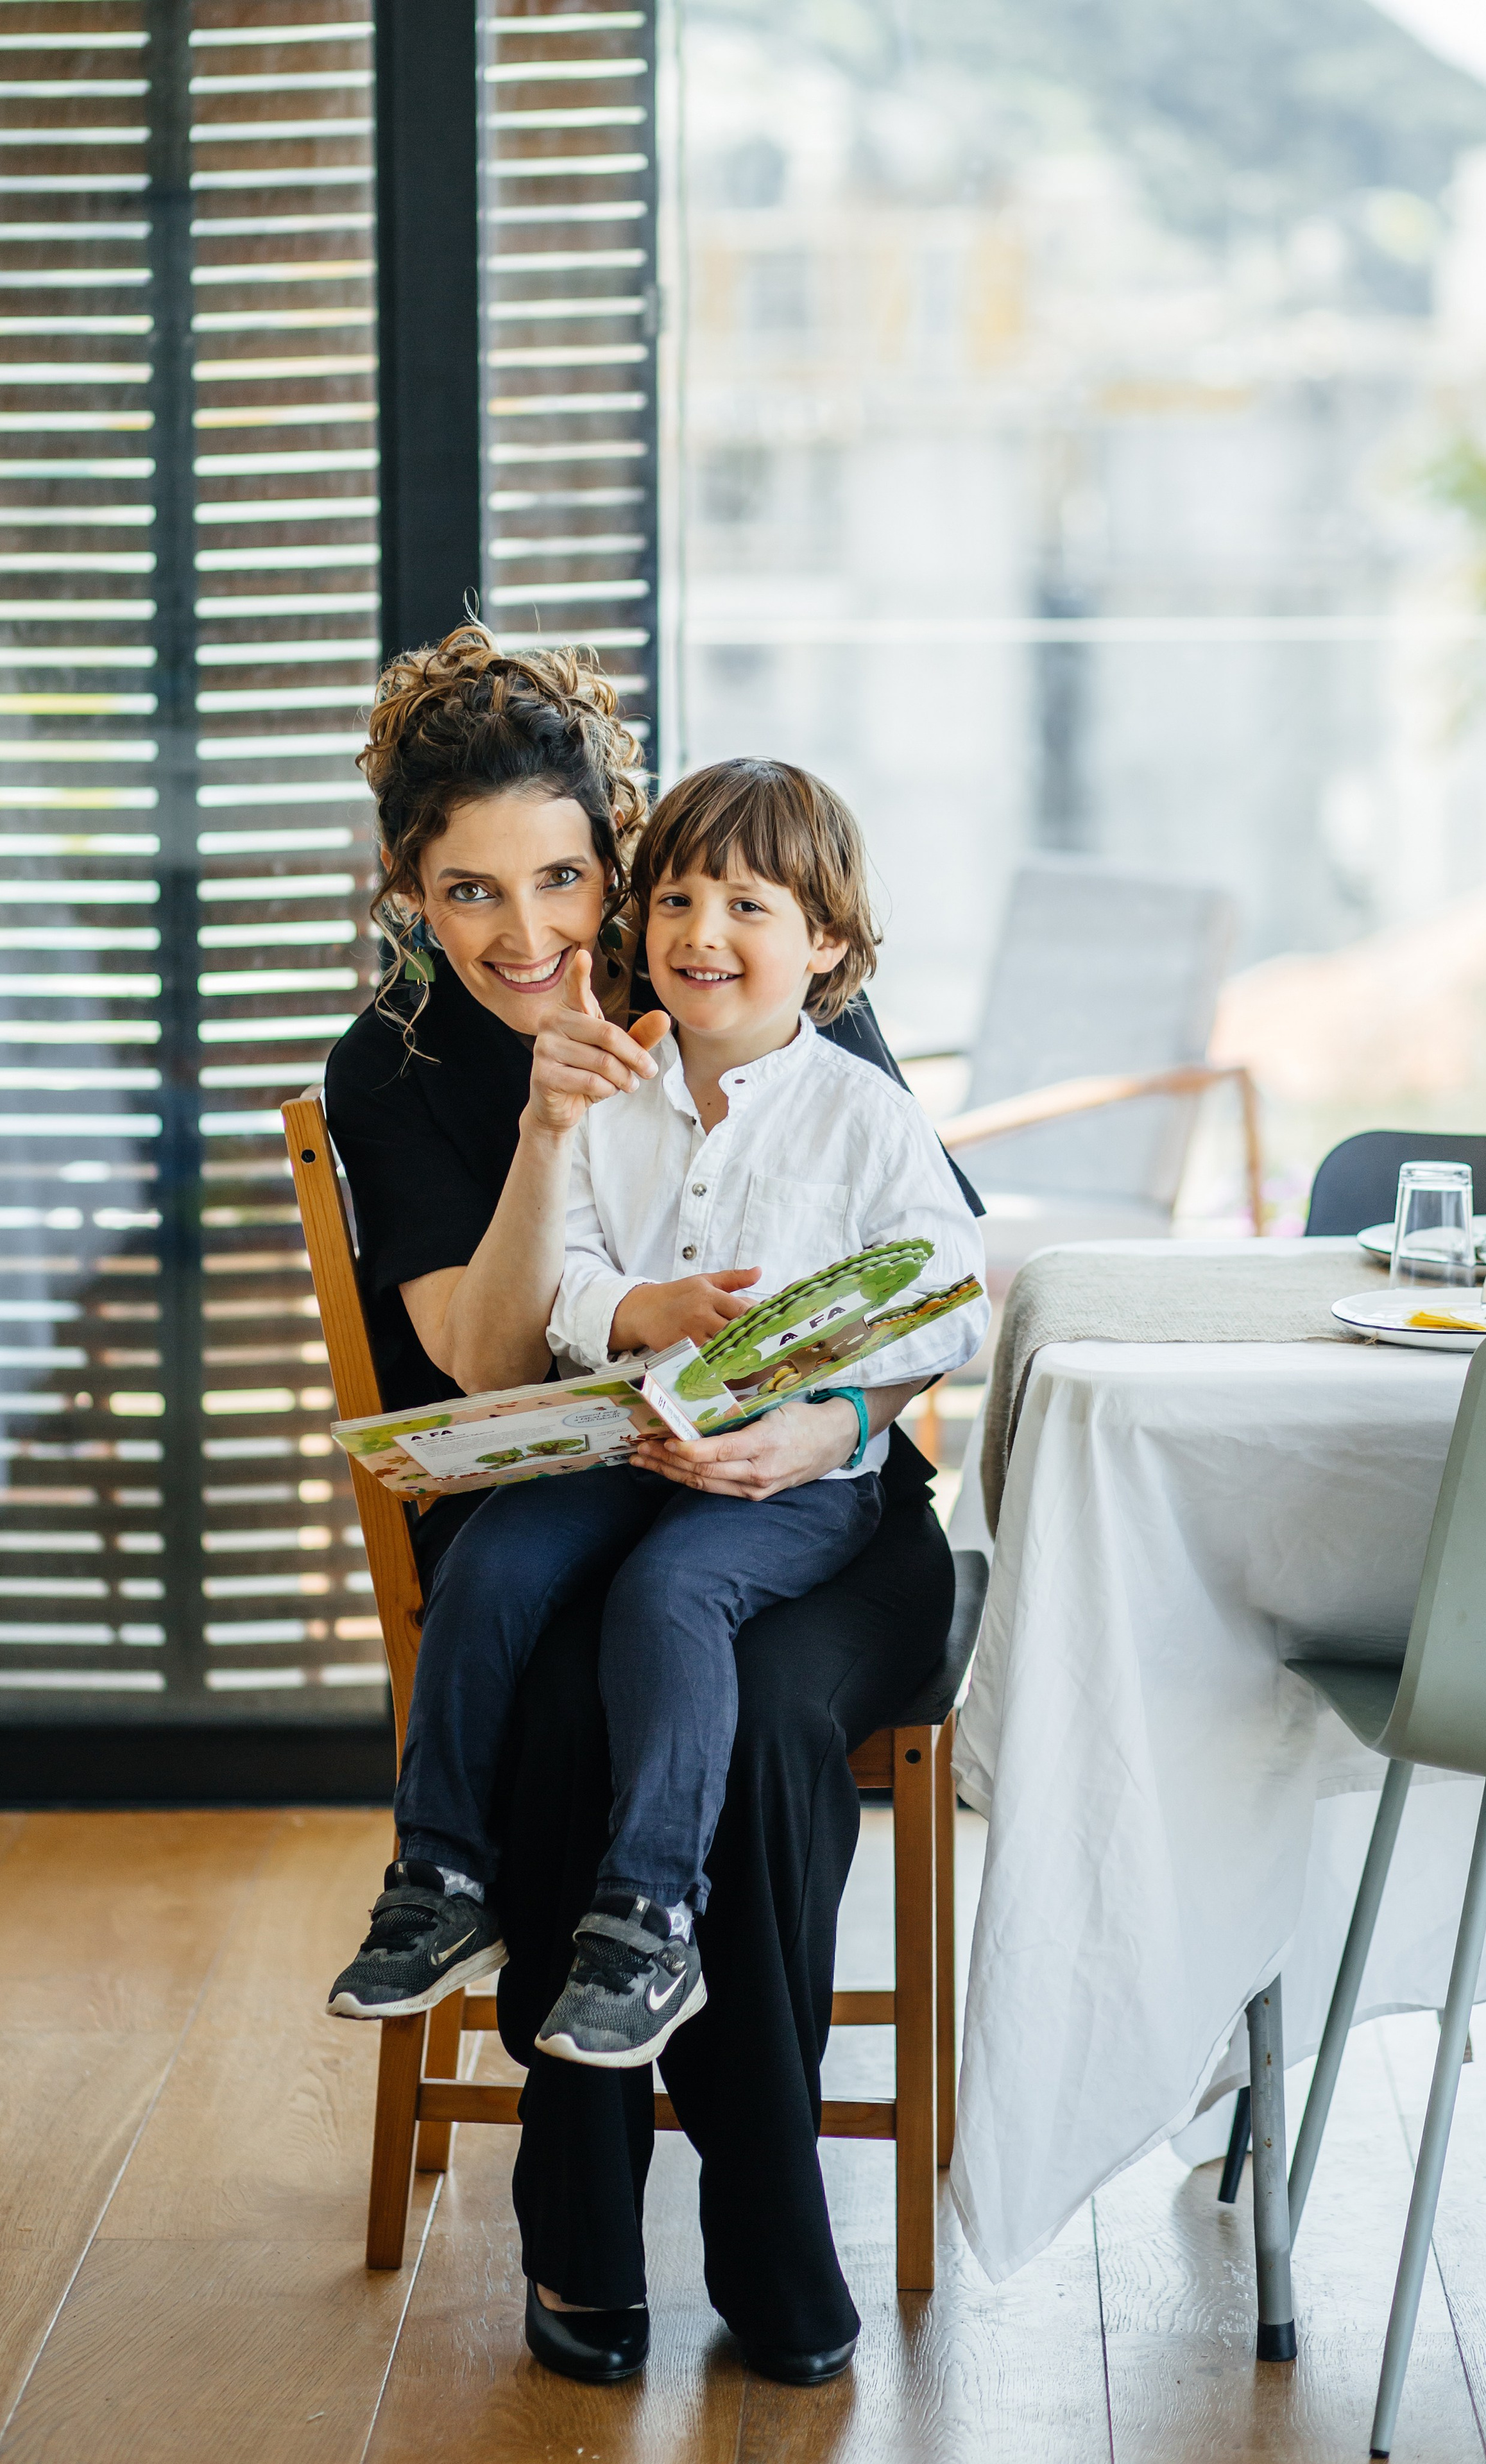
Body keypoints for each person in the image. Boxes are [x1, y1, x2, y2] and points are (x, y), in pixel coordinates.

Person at [322, 624, 984, 2389]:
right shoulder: (395, 1072)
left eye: (560, 880)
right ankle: (589, 2245)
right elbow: (476, 1358)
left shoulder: (730, 964)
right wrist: (548, 1132)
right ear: (408, 894)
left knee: (752, 1717)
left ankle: (772, 2255)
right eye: (468, 894)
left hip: (813, 1501)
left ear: (619, 861)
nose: (526, 938)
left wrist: (824, 1417)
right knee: (571, 1707)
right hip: (562, 1498)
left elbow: (926, 1280)